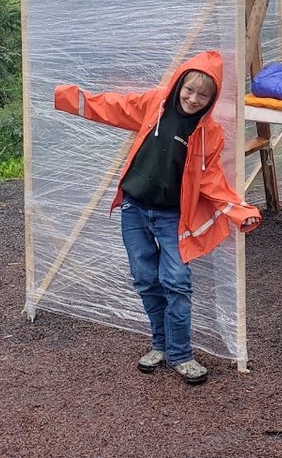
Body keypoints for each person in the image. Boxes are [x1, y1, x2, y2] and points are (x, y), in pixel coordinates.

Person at [53, 50, 261, 385]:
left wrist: (241, 211)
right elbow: (112, 106)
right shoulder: (155, 106)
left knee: (176, 282)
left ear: (213, 98)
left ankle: (181, 354)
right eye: (189, 89)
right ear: (179, 84)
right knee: (145, 277)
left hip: (172, 218)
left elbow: (211, 181)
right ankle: (160, 346)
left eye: (203, 95)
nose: (193, 99)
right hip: (134, 209)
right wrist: (64, 96)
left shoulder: (210, 134)